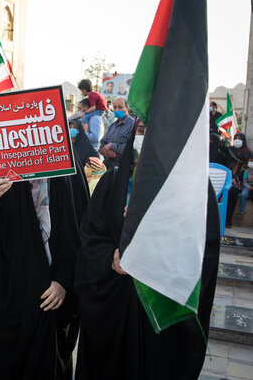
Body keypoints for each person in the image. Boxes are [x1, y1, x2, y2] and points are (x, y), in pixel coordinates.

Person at [74, 123, 220, 380]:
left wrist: (158, 229)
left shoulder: (195, 188)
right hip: (115, 307)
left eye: (156, 127)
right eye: (142, 129)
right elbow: (91, 237)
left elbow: (203, 251)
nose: (148, 136)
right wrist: (111, 259)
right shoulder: (112, 182)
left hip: (162, 315)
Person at [0, 159, 89, 379]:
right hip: (4, 294)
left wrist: (64, 281)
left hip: (49, 298)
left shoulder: (65, 163)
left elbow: (83, 232)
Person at [98, 97, 135, 169]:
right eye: (115, 107)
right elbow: (103, 142)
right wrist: (103, 151)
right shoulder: (113, 125)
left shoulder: (132, 125)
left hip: (121, 166)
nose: (117, 110)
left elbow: (129, 147)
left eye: (120, 107)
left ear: (127, 107)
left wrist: (112, 146)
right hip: (107, 164)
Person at [225, 133, 251, 227]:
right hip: (225, 176)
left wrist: (235, 178)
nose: (237, 140)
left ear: (243, 140)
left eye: (239, 138)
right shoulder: (230, 150)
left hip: (237, 180)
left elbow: (245, 170)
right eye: (235, 138)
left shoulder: (248, 154)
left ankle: (227, 220)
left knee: (232, 192)